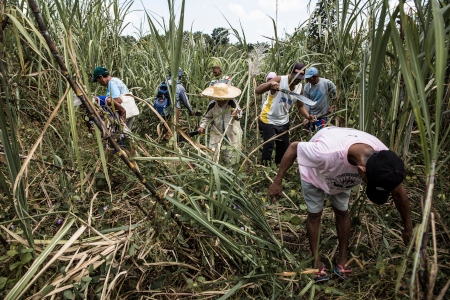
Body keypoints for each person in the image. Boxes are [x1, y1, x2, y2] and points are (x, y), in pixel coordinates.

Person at [268, 126, 413, 283]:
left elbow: (399, 193)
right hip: (315, 174)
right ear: (361, 170)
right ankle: (316, 261)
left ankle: (342, 258)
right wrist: (278, 181)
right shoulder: (325, 152)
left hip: (343, 179)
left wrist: (408, 228)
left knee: (342, 212)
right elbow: (294, 147)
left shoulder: (384, 161)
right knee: (315, 214)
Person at [255, 62, 316, 165]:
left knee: (283, 149)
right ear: (291, 73)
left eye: (300, 78)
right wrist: (270, 84)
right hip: (269, 118)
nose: (297, 80)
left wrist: (308, 116)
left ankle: (279, 169)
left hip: (283, 121)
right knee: (268, 146)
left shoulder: (299, 87)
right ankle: (264, 169)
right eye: (296, 77)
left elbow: (300, 106)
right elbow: (258, 90)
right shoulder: (280, 80)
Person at [197, 83, 243, 164]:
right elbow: (207, 117)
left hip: (231, 132)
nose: (221, 100)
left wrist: (236, 114)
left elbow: (240, 115)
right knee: (212, 153)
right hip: (216, 131)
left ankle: (229, 172)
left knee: (230, 155)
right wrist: (202, 126)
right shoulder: (212, 104)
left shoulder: (232, 103)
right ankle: (214, 171)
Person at [302, 67, 337, 131]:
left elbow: (335, 91)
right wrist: (306, 117)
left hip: (323, 116)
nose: (309, 80)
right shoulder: (306, 88)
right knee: (311, 136)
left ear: (316, 76)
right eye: (308, 79)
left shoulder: (326, 83)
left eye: (311, 78)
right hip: (311, 117)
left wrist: (333, 105)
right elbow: (306, 104)